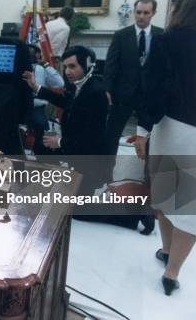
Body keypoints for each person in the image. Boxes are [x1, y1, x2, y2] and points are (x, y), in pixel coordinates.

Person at [23, 46, 152, 232]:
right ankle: (59, 185)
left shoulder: (95, 93)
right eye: (66, 67)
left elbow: (90, 140)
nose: (68, 71)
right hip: (78, 150)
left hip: (91, 160)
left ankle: (134, 214)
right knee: (41, 145)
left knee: (74, 210)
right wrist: (37, 87)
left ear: (87, 65)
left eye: (73, 66)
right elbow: (66, 101)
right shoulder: (83, 86)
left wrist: (59, 142)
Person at [135, 0, 196, 296]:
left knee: (165, 195)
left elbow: (154, 91)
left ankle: (165, 250)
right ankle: (172, 271)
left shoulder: (168, 40)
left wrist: (142, 129)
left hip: (174, 129)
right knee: (190, 206)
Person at [104, 0, 163, 156]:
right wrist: (107, 88)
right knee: (111, 135)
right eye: (138, 12)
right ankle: (104, 173)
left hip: (149, 96)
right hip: (123, 94)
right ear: (134, 12)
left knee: (150, 137)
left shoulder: (161, 35)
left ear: (153, 13)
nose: (141, 16)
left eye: (146, 13)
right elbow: (111, 63)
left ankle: (146, 174)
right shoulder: (121, 35)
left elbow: (164, 67)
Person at [25, 44, 64, 155]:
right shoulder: (16, 67)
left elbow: (60, 83)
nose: (30, 55)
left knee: (42, 128)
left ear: (38, 55)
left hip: (36, 107)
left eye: (33, 52)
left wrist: (46, 65)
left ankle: (42, 157)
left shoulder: (42, 69)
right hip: (17, 106)